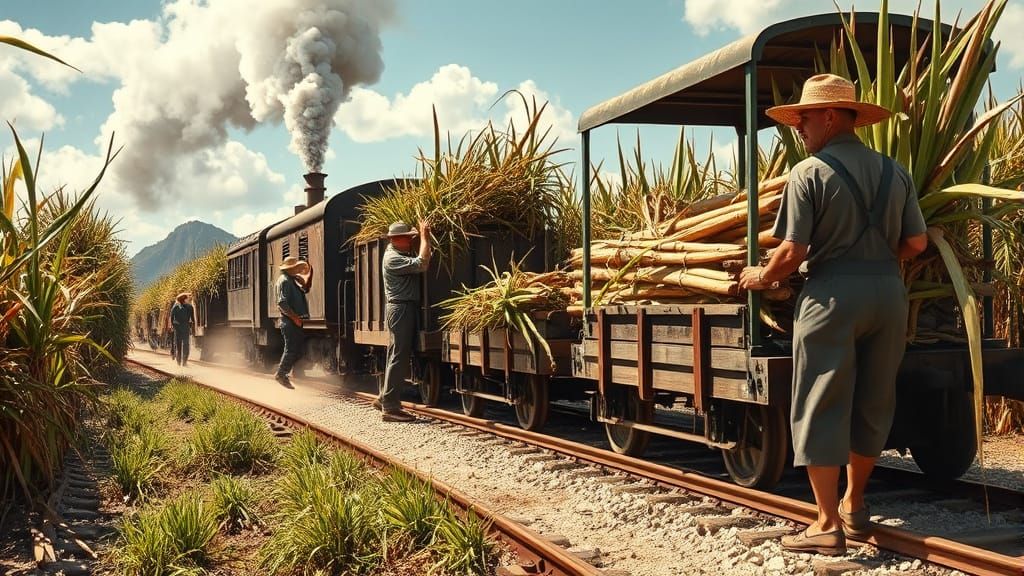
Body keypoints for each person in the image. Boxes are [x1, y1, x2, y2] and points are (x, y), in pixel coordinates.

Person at [737, 74, 929, 555]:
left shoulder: (809, 173)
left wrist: (761, 277)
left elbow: (792, 249)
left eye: (803, 118)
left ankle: (825, 524)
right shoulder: (895, 170)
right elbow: (917, 244)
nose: (798, 127)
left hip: (831, 297)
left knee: (821, 401)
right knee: (874, 400)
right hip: (887, 294)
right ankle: (855, 506)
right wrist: (877, 261)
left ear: (829, 116)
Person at [379, 220, 431, 423]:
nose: (411, 240)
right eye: (408, 237)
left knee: (395, 354)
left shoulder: (398, 253)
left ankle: (384, 397)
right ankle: (390, 407)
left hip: (400, 308)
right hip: (401, 308)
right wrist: (425, 237)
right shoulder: (393, 258)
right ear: (396, 239)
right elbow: (422, 263)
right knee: (399, 356)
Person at [275, 256, 313, 388]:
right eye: (295, 268)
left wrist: (303, 282)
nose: (297, 270)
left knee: (297, 350)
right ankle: (281, 374)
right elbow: (282, 303)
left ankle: (286, 373)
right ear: (290, 269)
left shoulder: (291, 280)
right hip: (289, 322)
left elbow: (305, 290)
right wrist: (295, 318)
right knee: (291, 349)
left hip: (293, 322)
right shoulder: (285, 281)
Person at [170, 293, 195, 367]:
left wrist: (175, 326)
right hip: (184, 328)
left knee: (180, 345)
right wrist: (191, 326)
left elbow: (172, 319)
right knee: (185, 345)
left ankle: (180, 362)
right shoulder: (189, 307)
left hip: (179, 328)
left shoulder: (176, 307)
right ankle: (183, 362)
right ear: (184, 299)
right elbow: (192, 319)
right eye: (187, 298)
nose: (188, 299)